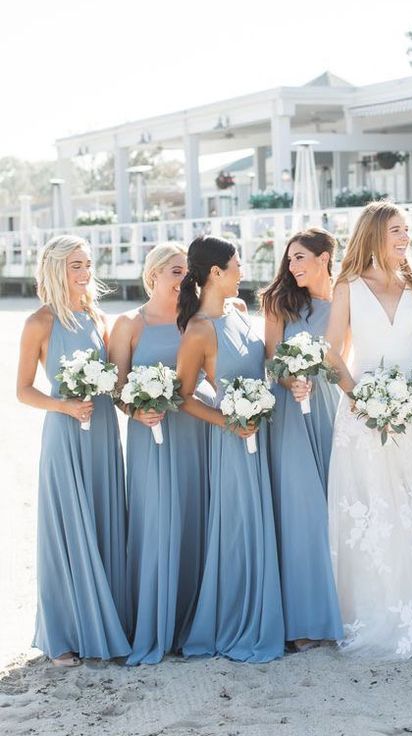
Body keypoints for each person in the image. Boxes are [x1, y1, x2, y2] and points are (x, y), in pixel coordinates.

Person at [325, 201, 412, 659]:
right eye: (396, 229)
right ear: (374, 234)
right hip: (364, 411)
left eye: (407, 229)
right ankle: (373, 609)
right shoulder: (348, 287)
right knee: (374, 507)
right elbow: (332, 352)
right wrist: (361, 398)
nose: (405, 237)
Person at [16, 235, 129, 665]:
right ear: (56, 269)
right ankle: (63, 634)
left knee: (103, 518)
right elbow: (23, 390)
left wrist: (141, 407)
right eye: (75, 265)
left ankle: (107, 623)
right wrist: (63, 404)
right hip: (65, 432)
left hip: (101, 429)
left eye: (87, 264)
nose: (84, 273)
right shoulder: (39, 323)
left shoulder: (98, 317)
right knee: (67, 527)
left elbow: (116, 385)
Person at [177, 235, 284, 661]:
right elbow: (183, 397)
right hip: (233, 444)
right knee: (239, 530)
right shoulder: (199, 330)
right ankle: (239, 618)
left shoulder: (238, 312)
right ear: (216, 273)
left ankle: (268, 611)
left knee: (262, 524)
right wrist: (231, 422)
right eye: (236, 265)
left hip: (265, 436)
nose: (242, 271)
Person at [108, 243, 209, 664]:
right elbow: (117, 387)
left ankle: (192, 622)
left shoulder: (196, 321)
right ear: (152, 276)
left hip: (193, 431)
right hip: (148, 436)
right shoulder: (129, 324)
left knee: (192, 515)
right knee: (157, 520)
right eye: (174, 271)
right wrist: (136, 408)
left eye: (187, 272)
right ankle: (154, 622)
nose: (183, 279)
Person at [261, 228, 343, 651]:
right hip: (289, 411)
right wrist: (291, 378)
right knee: (300, 511)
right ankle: (303, 620)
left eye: (300, 258)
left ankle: (336, 610)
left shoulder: (343, 302)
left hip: (330, 409)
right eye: (289, 259)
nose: (292, 267)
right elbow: (271, 358)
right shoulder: (280, 303)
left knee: (333, 506)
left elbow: (349, 360)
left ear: (325, 257)